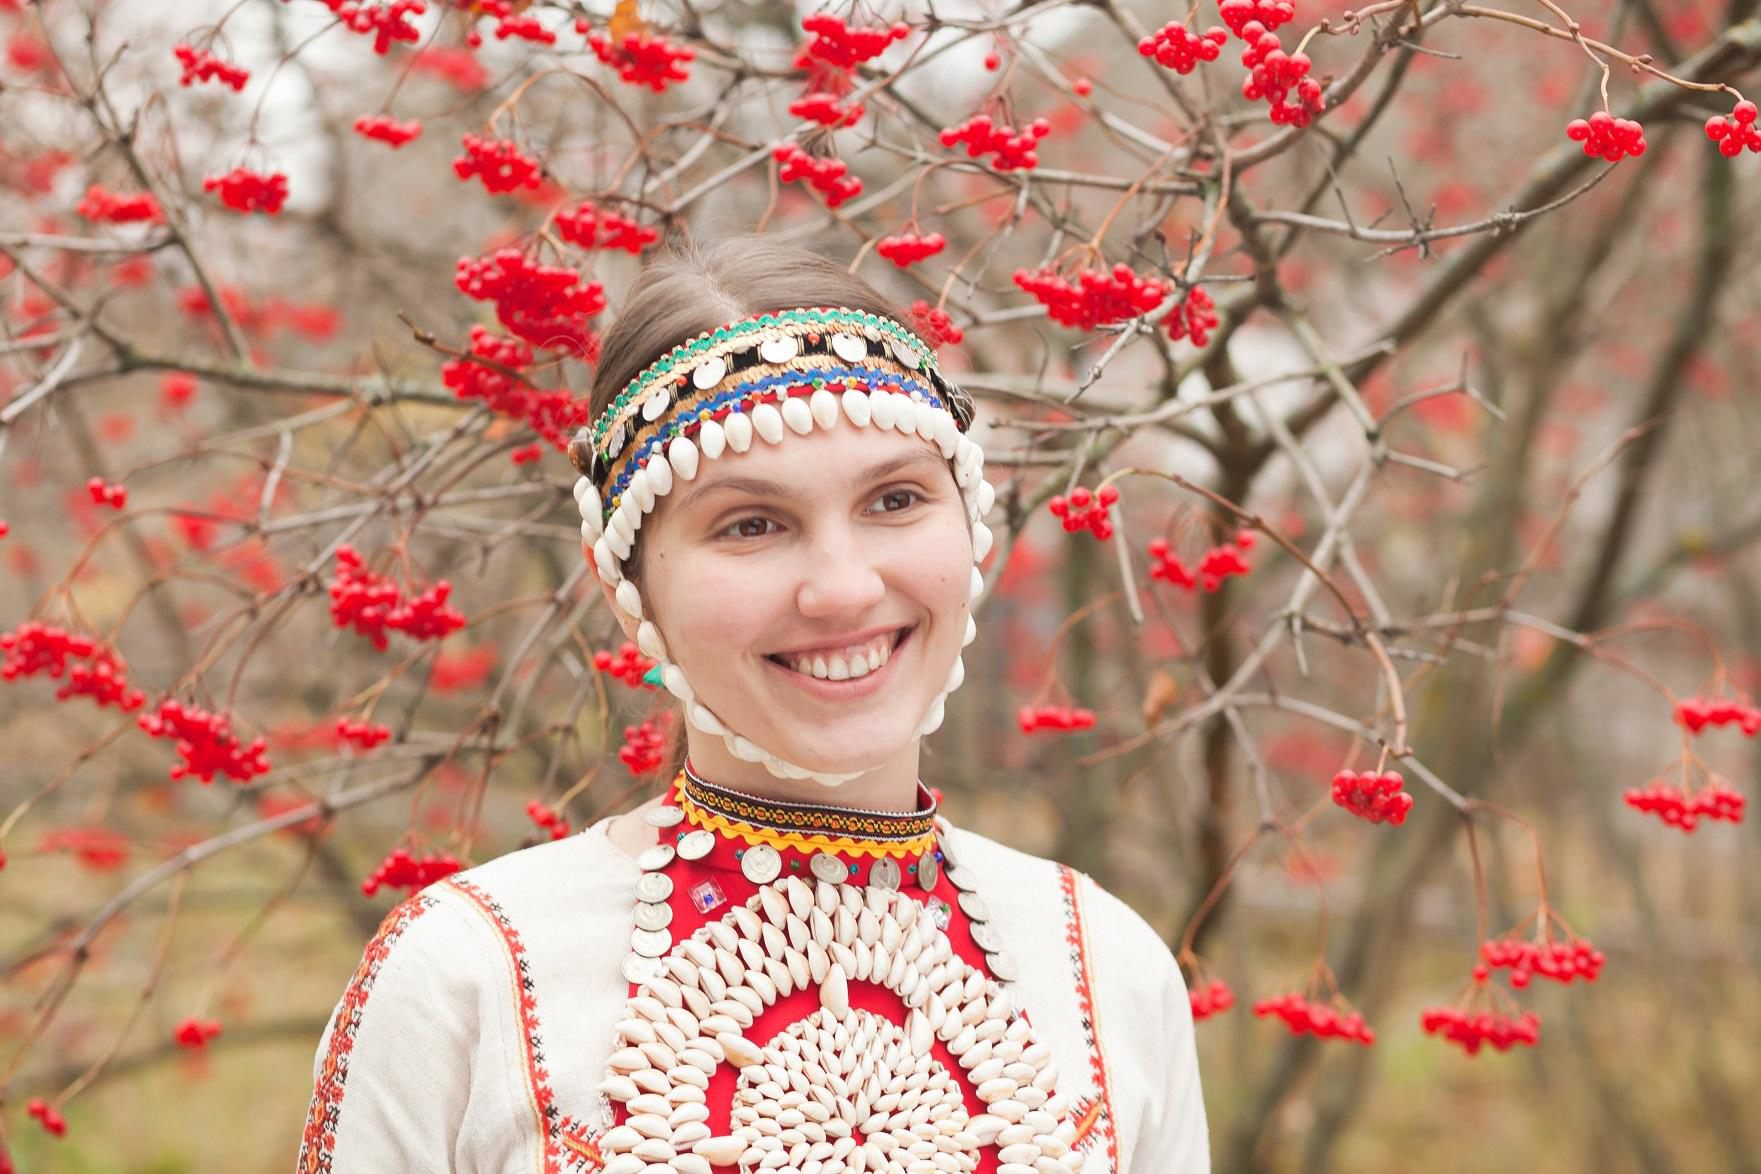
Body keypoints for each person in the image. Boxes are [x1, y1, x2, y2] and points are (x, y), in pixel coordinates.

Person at [296, 233, 1209, 1174]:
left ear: (969, 528)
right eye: (751, 524)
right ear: (626, 588)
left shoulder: (1103, 964)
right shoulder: (466, 979)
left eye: (894, 501)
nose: (842, 588)